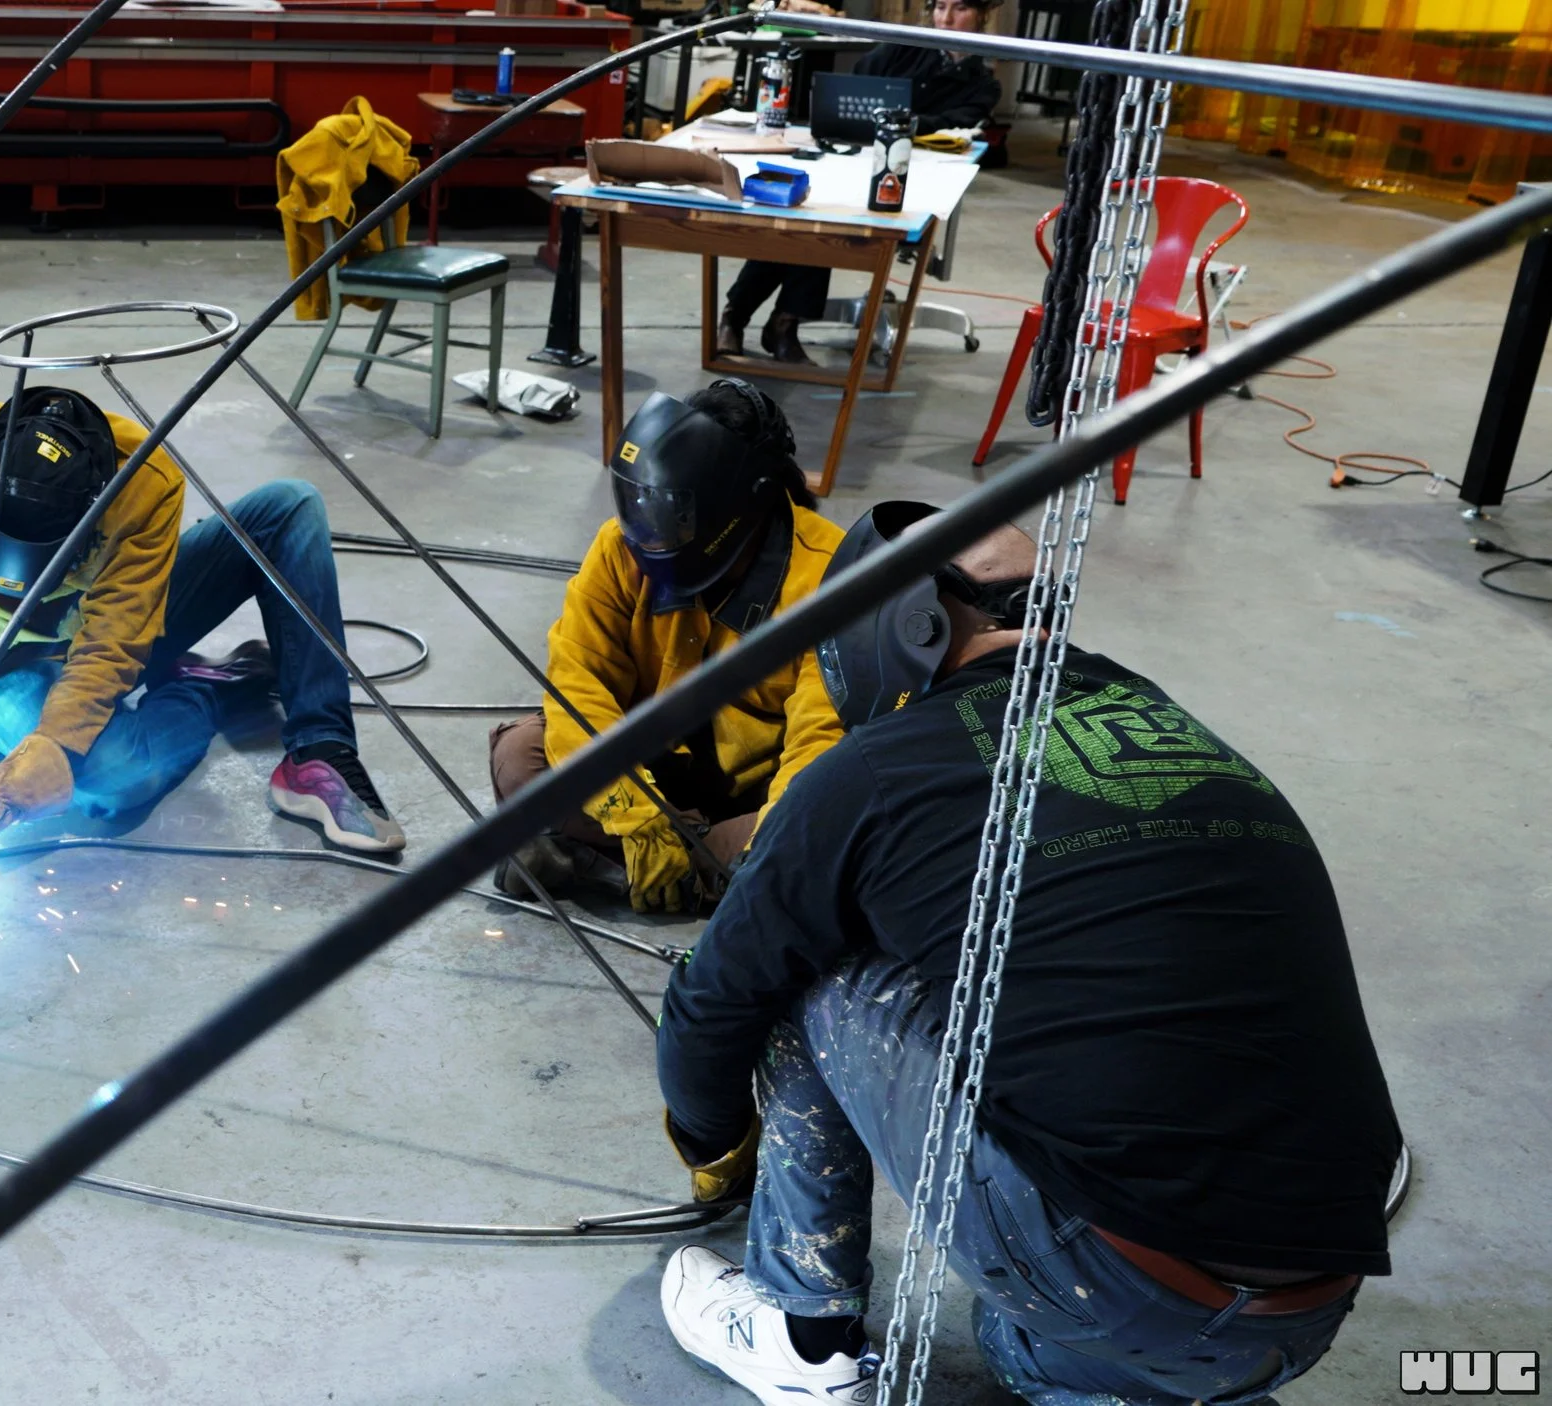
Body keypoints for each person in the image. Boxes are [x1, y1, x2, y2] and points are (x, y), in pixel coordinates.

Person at [653, 502, 1402, 1406]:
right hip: (1306, 1314)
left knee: (815, 968)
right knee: (1011, 1345)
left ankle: (799, 1338)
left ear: (908, 623)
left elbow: (716, 1000)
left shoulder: (870, 774)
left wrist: (712, 1137)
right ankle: (1114, 1374)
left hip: (1118, 1278)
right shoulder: (1163, 720)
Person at [0, 387, 405, 853]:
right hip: (1, 668)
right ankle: (206, 690)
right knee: (114, 778)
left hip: (108, 628)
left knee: (289, 506)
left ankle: (318, 746)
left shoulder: (143, 480)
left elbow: (113, 638)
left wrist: (51, 746)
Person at [489, 378, 844, 912]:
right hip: (647, 771)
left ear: (740, 504)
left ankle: (597, 863)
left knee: (804, 835)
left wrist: (755, 833)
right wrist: (635, 813)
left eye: (672, 515)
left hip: (754, 796)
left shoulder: (832, 575)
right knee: (520, 757)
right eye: (638, 506)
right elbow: (576, 686)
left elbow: (820, 748)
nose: (645, 532)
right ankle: (687, 870)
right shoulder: (619, 548)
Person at [720, 0, 1004, 365]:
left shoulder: (983, 83)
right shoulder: (905, 46)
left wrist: (899, 120)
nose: (946, 19)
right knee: (808, 215)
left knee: (825, 223)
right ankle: (754, 319)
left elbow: (958, 122)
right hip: (853, 157)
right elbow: (852, 87)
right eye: (940, 7)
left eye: (960, 9)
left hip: (910, 176)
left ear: (981, 14)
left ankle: (767, 319)